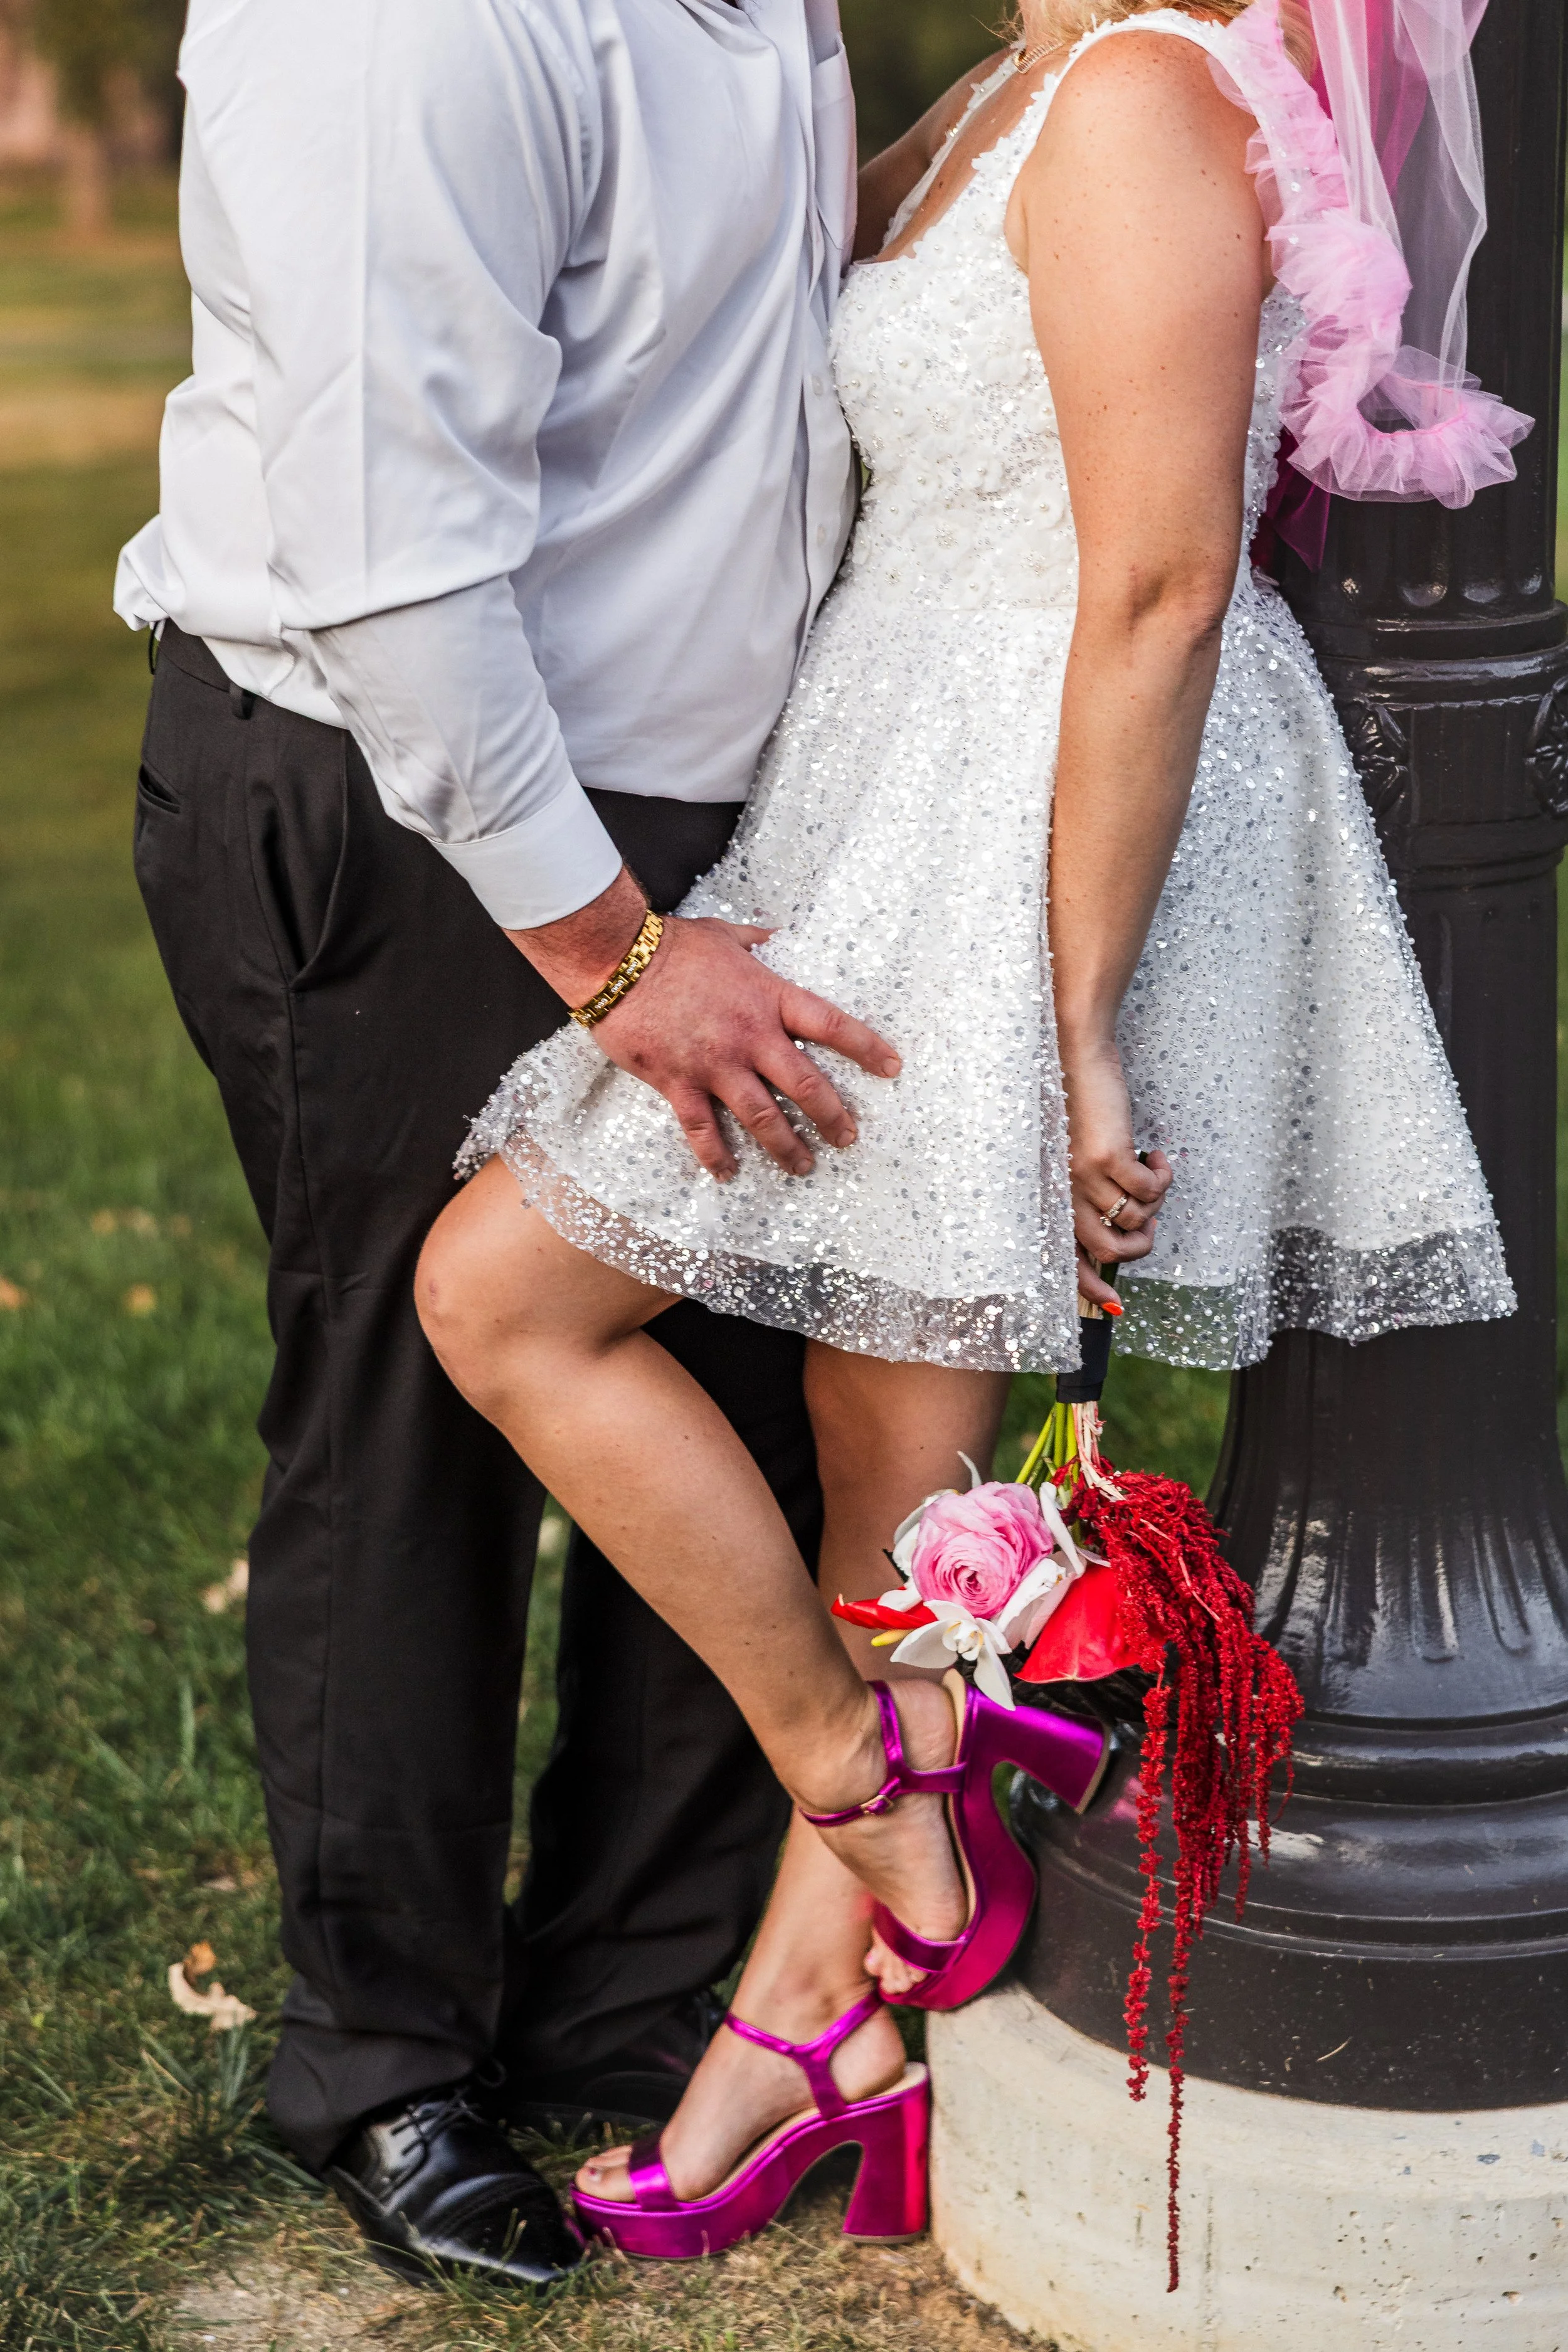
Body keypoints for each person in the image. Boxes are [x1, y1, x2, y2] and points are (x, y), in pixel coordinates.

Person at [415, 0, 1525, 2257]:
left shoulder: (1138, 92)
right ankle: (844, 1917)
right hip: (886, 785)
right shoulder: (1004, 82)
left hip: (1019, 837)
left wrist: (1078, 1016)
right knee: (867, 1458)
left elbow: (1158, 583)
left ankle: (830, 1895)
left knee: (525, 1299)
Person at [113, 0, 883, 2291]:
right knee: (411, 1408)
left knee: (732, 1390)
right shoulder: (410, 24)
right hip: (412, 801)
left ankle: (637, 1997)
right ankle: (384, 2058)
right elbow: (390, 572)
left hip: (706, 822)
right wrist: (618, 953)